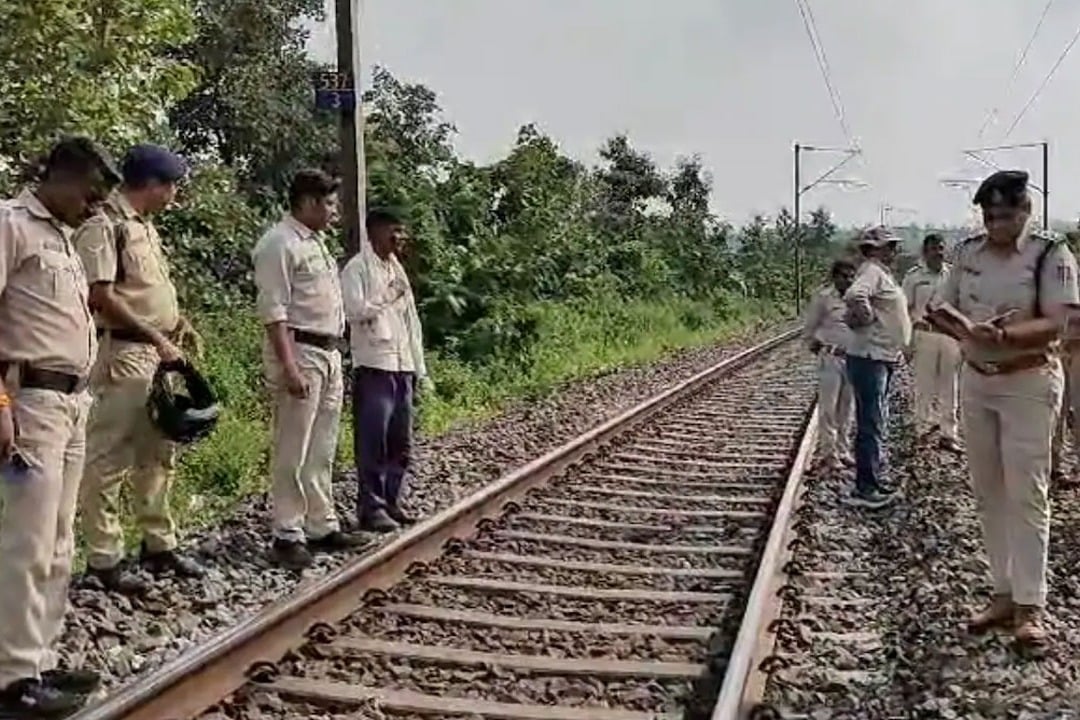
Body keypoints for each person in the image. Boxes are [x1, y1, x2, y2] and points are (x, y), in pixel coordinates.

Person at [0, 137, 121, 717]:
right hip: (32, 402)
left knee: (59, 541)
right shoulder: (12, 224)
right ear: (64, 179)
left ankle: (41, 658)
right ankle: (12, 676)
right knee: (27, 540)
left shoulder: (65, 241)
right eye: (91, 195)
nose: (95, 207)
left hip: (72, 403)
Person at [934, 169, 1078, 646]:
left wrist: (1002, 335)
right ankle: (1001, 591)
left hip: (1028, 381)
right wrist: (963, 327)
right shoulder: (967, 254)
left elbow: (1059, 322)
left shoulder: (1050, 255)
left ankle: (1030, 606)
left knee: (1027, 492)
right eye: (990, 214)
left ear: (1026, 211)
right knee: (988, 491)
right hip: (977, 381)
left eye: (1006, 213)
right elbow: (940, 305)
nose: (997, 222)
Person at [73, 144, 205, 595]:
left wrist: (177, 325)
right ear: (152, 184)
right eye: (171, 185)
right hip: (126, 353)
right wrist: (156, 336)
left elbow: (146, 290)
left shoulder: (143, 228)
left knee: (158, 451)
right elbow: (101, 296)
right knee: (109, 455)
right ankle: (104, 557)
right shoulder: (104, 225)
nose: (174, 194)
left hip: (156, 352)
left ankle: (157, 542)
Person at [252, 169, 367, 571]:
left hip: (328, 352)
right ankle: (287, 532)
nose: (335, 212)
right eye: (331, 204)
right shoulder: (278, 244)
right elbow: (274, 310)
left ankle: (321, 523)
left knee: (322, 445)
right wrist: (288, 365)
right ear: (310, 202)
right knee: (293, 444)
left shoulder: (315, 243)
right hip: (300, 350)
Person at [341, 209, 432, 533]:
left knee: (400, 441)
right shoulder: (357, 269)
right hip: (374, 366)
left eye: (402, 231)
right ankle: (371, 506)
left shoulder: (397, 268)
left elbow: (411, 324)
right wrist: (386, 295)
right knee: (373, 441)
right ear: (375, 231)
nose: (399, 238)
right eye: (394, 231)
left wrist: (418, 369)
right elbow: (353, 311)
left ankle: (392, 500)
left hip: (401, 365)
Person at [842, 225, 912, 509]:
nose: (894, 251)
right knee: (871, 422)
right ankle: (865, 487)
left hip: (879, 356)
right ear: (874, 249)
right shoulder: (871, 270)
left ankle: (871, 480)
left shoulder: (878, 272)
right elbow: (854, 295)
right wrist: (868, 316)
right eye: (889, 246)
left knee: (875, 419)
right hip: (870, 356)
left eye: (894, 246)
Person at [902, 233, 962, 452]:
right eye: (934, 248)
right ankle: (923, 429)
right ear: (925, 252)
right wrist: (907, 343)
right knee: (924, 386)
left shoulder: (953, 275)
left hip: (949, 337)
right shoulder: (914, 277)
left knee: (950, 386)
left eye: (941, 248)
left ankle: (949, 434)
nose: (938, 252)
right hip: (924, 335)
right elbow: (905, 309)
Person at [802, 258, 857, 468]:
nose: (848, 280)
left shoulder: (857, 298)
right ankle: (829, 452)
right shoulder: (824, 298)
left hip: (852, 358)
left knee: (847, 407)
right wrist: (817, 346)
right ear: (835, 278)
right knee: (828, 407)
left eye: (851, 276)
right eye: (844, 276)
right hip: (831, 357)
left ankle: (843, 449)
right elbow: (809, 327)